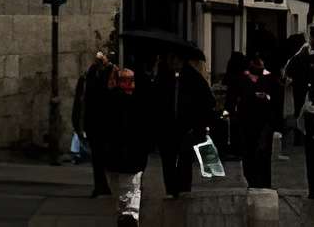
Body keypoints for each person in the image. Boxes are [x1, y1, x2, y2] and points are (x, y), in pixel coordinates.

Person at [153, 50, 216, 198]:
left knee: (184, 159)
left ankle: (183, 188)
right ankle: (171, 189)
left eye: (177, 59)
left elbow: (207, 101)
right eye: (172, 59)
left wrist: (198, 123)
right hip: (167, 126)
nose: (174, 63)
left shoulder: (194, 78)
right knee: (168, 159)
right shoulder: (164, 77)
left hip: (187, 127)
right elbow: (157, 100)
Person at [98, 63, 154, 226]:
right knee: (130, 198)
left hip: (113, 159)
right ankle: (127, 218)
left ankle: (124, 217)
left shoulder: (108, 100)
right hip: (131, 160)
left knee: (122, 198)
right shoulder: (138, 103)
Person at [74, 48, 116, 198]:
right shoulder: (89, 76)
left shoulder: (112, 73)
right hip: (95, 122)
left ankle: (104, 185)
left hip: (104, 122)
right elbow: (81, 100)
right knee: (98, 156)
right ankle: (101, 185)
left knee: (103, 156)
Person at [235, 54, 281, 188]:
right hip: (248, 122)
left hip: (264, 122)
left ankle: (262, 183)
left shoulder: (269, 78)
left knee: (263, 153)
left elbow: (276, 101)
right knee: (250, 153)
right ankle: (254, 181)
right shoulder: (244, 78)